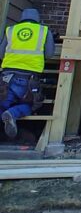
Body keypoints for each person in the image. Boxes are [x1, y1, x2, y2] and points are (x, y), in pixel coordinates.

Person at [0, 9, 53, 138]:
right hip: (29, 77)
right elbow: (49, 54)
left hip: (7, 76)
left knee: (2, 103)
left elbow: (1, 54)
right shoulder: (44, 30)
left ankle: (7, 116)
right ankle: (13, 113)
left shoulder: (10, 30)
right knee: (32, 104)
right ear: (38, 19)